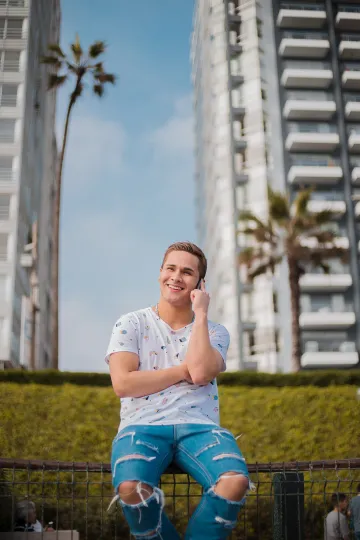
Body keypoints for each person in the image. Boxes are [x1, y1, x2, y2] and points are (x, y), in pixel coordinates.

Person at [106, 242, 252, 539]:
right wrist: (180, 371)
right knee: (131, 489)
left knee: (234, 481)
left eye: (187, 272)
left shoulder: (214, 331)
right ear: (160, 273)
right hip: (141, 426)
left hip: (200, 427)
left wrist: (200, 314)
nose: (176, 277)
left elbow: (200, 372)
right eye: (170, 268)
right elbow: (123, 384)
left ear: (200, 283)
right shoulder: (130, 323)